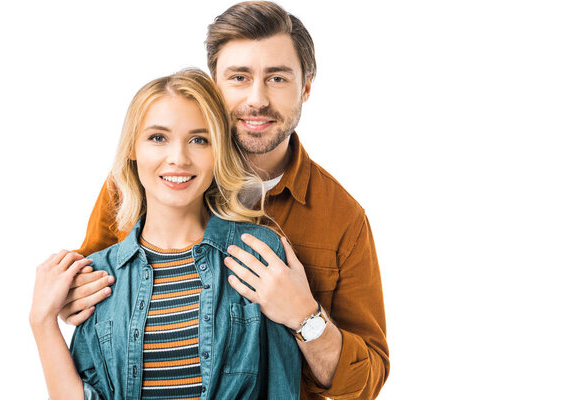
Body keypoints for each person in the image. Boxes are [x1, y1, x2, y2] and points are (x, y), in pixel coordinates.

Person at [62, 2, 390, 399]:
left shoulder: (342, 218)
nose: (257, 99)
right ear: (213, 84)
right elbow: (89, 297)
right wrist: (70, 300)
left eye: (277, 78)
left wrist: (304, 316)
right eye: (239, 77)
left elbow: (367, 380)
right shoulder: (144, 182)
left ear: (305, 86)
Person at [30, 68, 301, 400]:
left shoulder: (257, 254)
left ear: (218, 153)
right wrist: (42, 322)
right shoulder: (99, 277)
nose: (178, 158)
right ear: (133, 148)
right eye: (158, 138)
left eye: (199, 140)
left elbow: (281, 389)